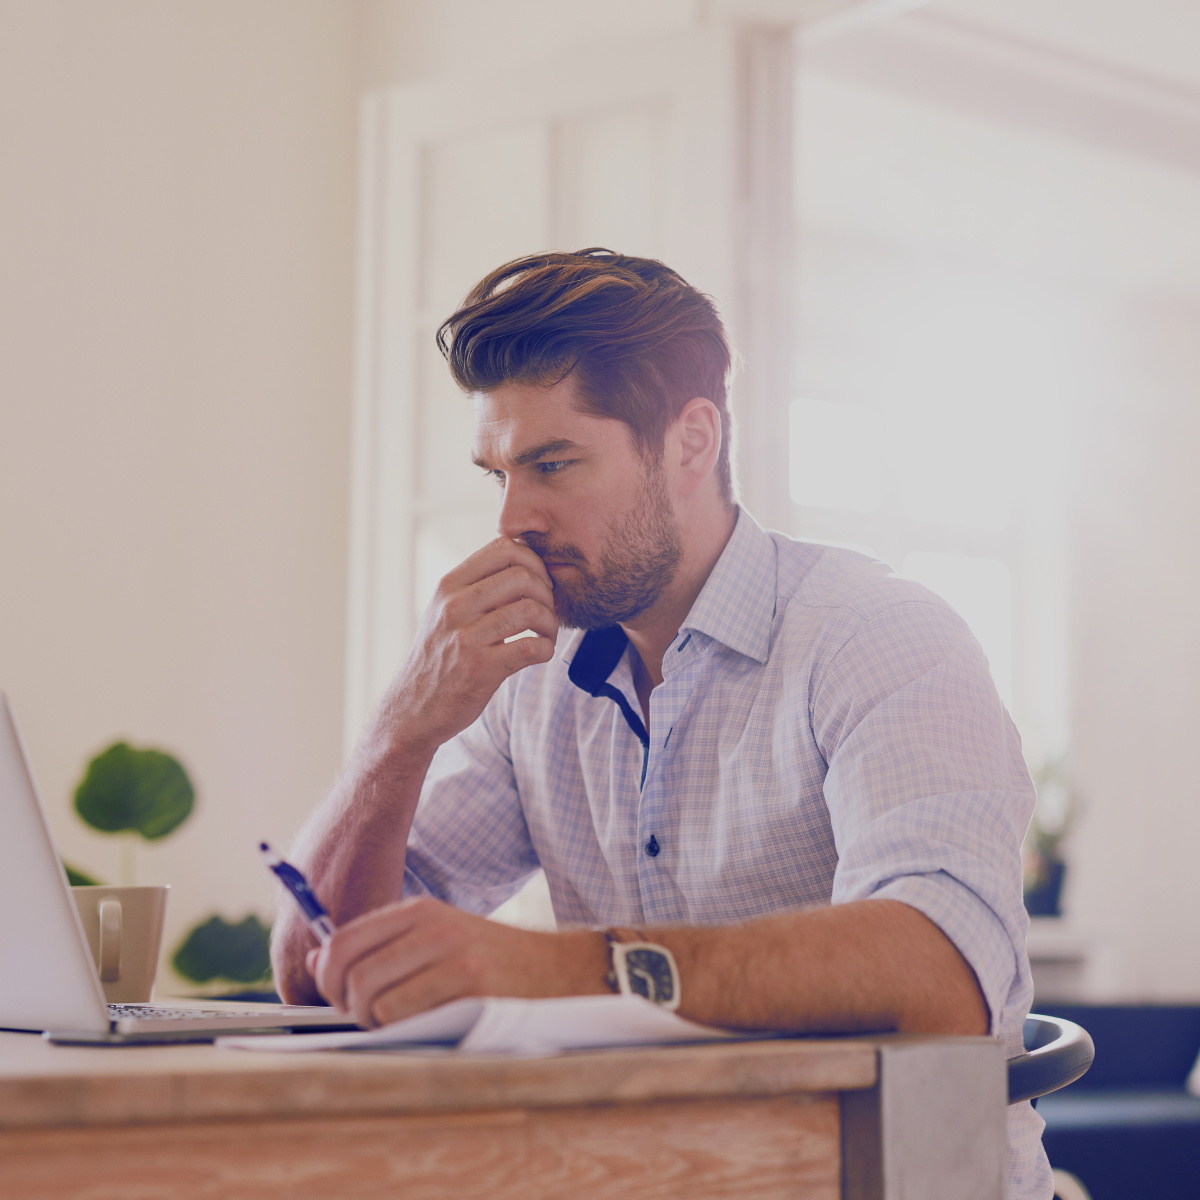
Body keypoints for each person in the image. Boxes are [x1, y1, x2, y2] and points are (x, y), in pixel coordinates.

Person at [272, 248, 1050, 1198]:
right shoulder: (534, 680)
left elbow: (943, 972)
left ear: (691, 442)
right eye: (499, 474)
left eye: (553, 464)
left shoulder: (879, 637)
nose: (514, 519)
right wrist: (402, 728)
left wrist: (563, 972)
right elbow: (317, 964)